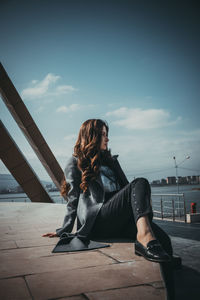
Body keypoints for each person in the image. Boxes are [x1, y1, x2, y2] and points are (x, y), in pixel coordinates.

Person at [43, 118, 173, 263]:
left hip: (117, 217)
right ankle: (144, 236)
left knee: (164, 241)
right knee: (140, 181)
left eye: (106, 134)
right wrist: (63, 230)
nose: (107, 138)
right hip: (98, 220)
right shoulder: (75, 161)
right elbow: (72, 200)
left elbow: (127, 189)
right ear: (93, 136)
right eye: (103, 134)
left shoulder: (111, 161)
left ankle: (166, 266)